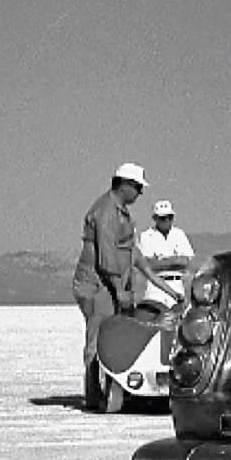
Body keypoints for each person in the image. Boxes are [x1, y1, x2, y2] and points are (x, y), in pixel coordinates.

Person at [73, 163, 181, 409]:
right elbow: (107, 258)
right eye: (138, 188)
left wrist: (166, 288)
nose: (140, 194)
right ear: (125, 185)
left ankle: (115, 390)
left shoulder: (121, 213)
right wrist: (119, 290)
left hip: (112, 285)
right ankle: (95, 396)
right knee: (99, 337)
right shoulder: (106, 212)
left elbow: (135, 256)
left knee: (118, 337)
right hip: (98, 285)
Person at [136, 200, 194, 309]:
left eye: (170, 217)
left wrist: (161, 261)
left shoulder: (179, 234)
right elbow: (148, 265)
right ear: (155, 218)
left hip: (177, 284)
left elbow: (185, 262)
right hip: (155, 286)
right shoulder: (146, 236)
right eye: (163, 218)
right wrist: (174, 260)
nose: (167, 220)